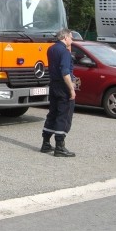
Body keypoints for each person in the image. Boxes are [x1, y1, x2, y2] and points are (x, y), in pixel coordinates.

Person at [40, 28, 76, 157]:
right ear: (65, 37)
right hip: (63, 85)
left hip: (53, 84)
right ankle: (59, 147)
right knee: (64, 115)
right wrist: (72, 89)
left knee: (53, 113)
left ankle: (46, 142)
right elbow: (65, 72)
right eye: (71, 37)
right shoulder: (64, 52)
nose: (72, 40)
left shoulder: (51, 49)